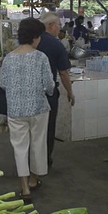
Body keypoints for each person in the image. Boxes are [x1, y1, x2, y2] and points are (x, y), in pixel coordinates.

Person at [0, 17, 55, 202]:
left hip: (15, 109)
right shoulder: (40, 57)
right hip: (38, 108)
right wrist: (49, 90)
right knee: (38, 143)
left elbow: (3, 84)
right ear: (35, 37)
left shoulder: (9, 58)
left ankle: (24, 188)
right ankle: (34, 179)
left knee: (19, 147)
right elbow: (49, 84)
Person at [38, 12, 75, 167]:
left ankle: (28, 160)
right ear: (51, 25)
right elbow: (64, 73)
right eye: (58, 24)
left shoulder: (32, 42)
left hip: (29, 93)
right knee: (48, 127)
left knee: (33, 129)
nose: (60, 27)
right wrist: (70, 92)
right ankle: (44, 160)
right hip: (48, 93)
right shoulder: (56, 44)